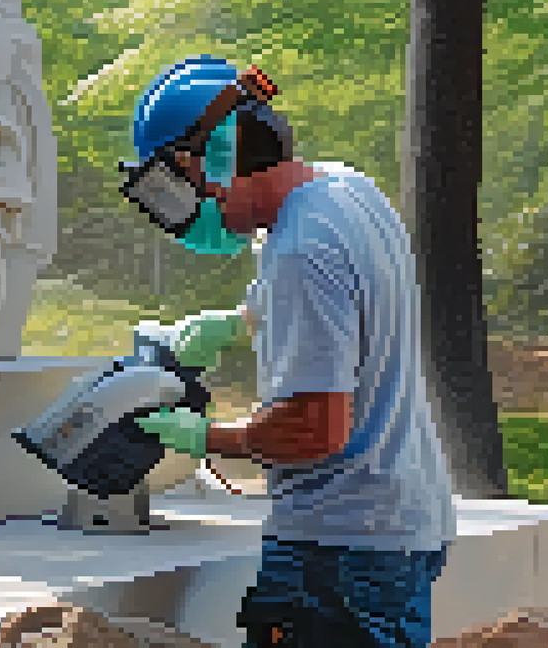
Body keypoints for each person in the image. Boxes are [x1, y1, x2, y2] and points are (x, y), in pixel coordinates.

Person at [123, 57, 456, 647]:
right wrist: (234, 323)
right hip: (396, 527)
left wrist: (209, 438)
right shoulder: (344, 191)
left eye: (175, 188)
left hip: (338, 550)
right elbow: (339, 298)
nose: (186, 213)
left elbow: (315, 428)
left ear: (213, 157)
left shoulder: (300, 252)